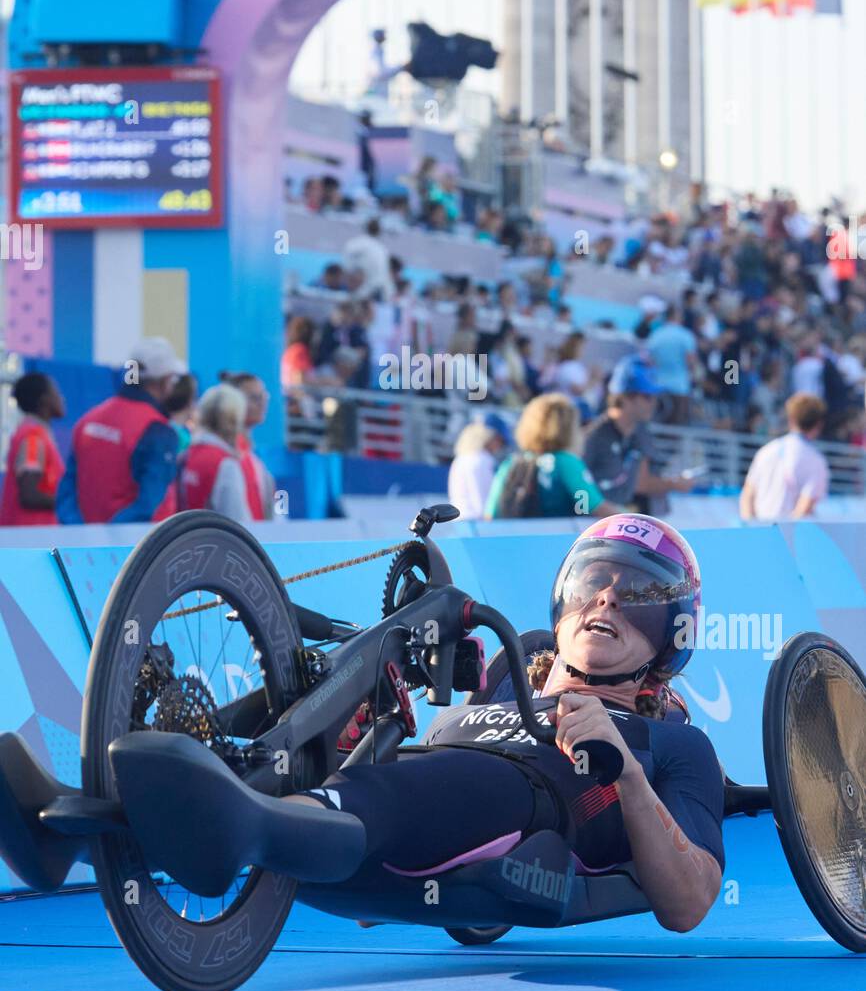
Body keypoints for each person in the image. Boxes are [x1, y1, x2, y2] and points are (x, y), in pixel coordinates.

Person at [135, 515, 723, 936]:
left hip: (518, 798)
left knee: (426, 786)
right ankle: (104, 817)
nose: (609, 600)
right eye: (595, 583)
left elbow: (689, 904)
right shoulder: (510, 666)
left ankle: (239, 822)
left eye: (639, 595)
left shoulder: (675, 744)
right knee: (359, 756)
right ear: (566, 600)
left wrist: (625, 776)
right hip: (417, 790)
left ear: (671, 634)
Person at [57, 338, 182, 524]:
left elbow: (66, 491)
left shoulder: (89, 419)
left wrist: (84, 535)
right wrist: (108, 538)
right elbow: (149, 503)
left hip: (84, 546)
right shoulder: (158, 429)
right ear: (165, 381)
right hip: (135, 546)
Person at [582, 358, 694, 511]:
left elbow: (641, 480)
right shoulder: (593, 436)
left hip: (617, 519)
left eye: (655, 397)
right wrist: (674, 484)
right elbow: (641, 485)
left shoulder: (640, 432)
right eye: (647, 397)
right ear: (625, 398)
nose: (654, 403)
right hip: (592, 526)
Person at [486, 393, 618, 520]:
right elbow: (596, 508)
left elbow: (491, 515)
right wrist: (633, 519)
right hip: (559, 541)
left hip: (516, 540)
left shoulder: (511, 463)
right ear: (568, 428)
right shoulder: (566, 462)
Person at [739, 392, 830, 524]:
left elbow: (747, 495)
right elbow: (803, 509)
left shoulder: (766, 450)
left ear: (791, 419)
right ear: (819, 425)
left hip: (760, 531)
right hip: (787, 537)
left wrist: (753, 530)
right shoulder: (816, 461)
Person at [178, 384, 253, 524]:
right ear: (235, 421)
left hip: (186, 540)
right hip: (214, 541)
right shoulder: (225, 464)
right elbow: (238, 523)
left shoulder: (187, 456)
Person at [0, 372, 66, 526]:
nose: (61, 397)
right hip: (29, 539)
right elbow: (29, 495)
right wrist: (68, 502)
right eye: (56, 392)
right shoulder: (33, 437)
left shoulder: (36, 434)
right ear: (44, 400)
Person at [220, 371, 276, 521]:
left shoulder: (250, 453)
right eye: (254, 398)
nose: (262, 403)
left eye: (264, 396)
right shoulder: (228, 452)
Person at [645, 305, 698, 426]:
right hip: (680, 388)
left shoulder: (656, 335)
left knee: (656, 427)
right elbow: (691, 361)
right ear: (677, 316)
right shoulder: (686, 336)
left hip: (658, 386)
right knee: (675, 431)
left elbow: (649, 361)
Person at [447, 420, 509, 520]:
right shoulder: (482, 460)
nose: (499, 446)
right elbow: (485, 504)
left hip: (459, 521)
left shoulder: (460, 459)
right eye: (499, 440)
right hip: (477, 524)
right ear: (489, 437)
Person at [344, 218, 393, 301]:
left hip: (372, 291)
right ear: (379, 232)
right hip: (363, 288)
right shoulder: (382, 250)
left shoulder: (353, 244)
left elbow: (347, 267)